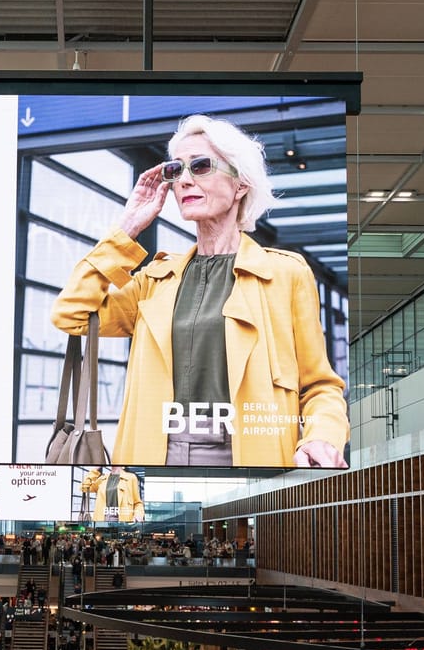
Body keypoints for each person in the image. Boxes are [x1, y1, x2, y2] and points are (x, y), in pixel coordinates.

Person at [52, 113, 347, 468]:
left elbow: (320, 387)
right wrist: (126, 230)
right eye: (177, 170)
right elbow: (71, 315)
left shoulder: (285, 273)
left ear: (241, 184)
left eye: (201, 166)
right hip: (154, 456)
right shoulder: (154, 281)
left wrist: (321, 438)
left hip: (253, 456)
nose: (185, 180)